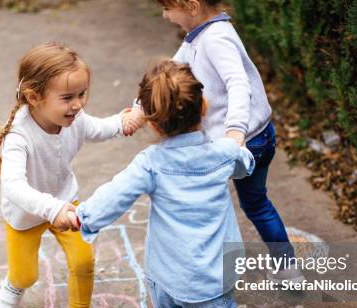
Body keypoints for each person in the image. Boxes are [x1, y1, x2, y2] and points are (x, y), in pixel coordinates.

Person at [73, 59, 261, 308]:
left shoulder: (151, 162)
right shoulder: (221, 154)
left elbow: (115, 194)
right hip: (210, 278)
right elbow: (245, 163)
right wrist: (237, 142)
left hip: (165, 275)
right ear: (204, 106)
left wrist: (84, 217)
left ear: (153, 123)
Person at [125, 0, 301, 282]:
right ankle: (287, 268)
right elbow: (168, 74)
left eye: (168, 8)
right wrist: (138, 107)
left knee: (202, 205)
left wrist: (235, 132)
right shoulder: (200, 36)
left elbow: (238, 83)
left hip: (241, 143)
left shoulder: (216, 38)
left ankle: (204, 272)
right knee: (256, 204)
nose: (164, 15)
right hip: (258, 136)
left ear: (191, 6)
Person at [0, 42, 128, 308]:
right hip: (27, 214)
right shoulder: (18, 137)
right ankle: (13, 286)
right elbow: (13, 186)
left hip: (66, 201)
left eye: (82, 94)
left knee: (83, 259)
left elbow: (101, 128)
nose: (77, 105)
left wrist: (124, 122)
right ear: (34, 97)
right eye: (67, 97)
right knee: (26, 275)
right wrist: (52, 209)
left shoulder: (73, 120)